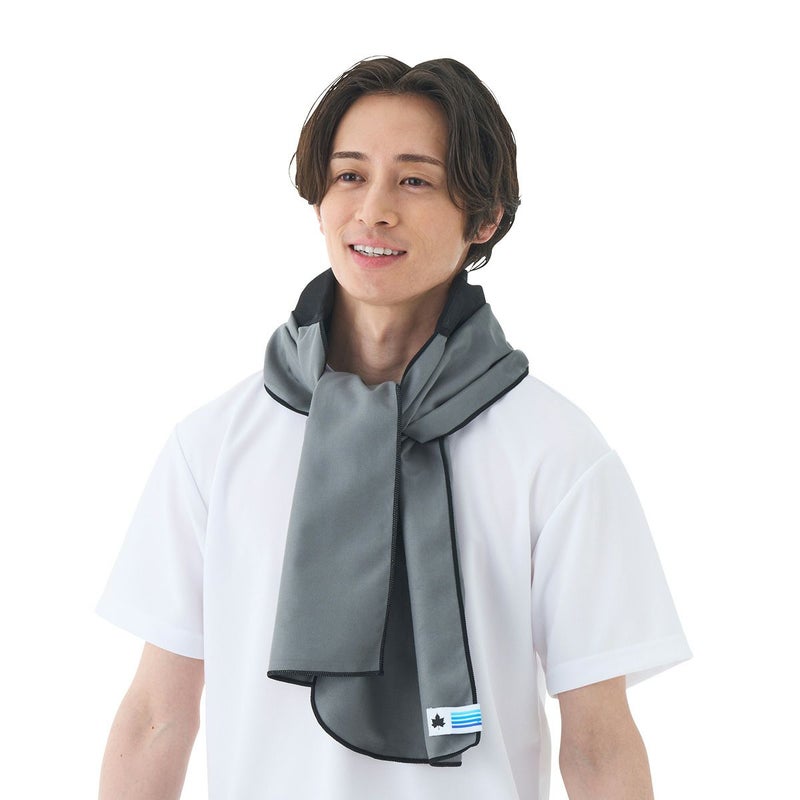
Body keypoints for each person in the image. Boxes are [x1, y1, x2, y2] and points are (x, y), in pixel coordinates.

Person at [97, 56, 691, 799]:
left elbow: (598, 747)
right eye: (349, 175)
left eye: (414, 180)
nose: (373, 209)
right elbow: (157, 716)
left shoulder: (557, 453)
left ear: (484, 218)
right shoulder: (212, 445)